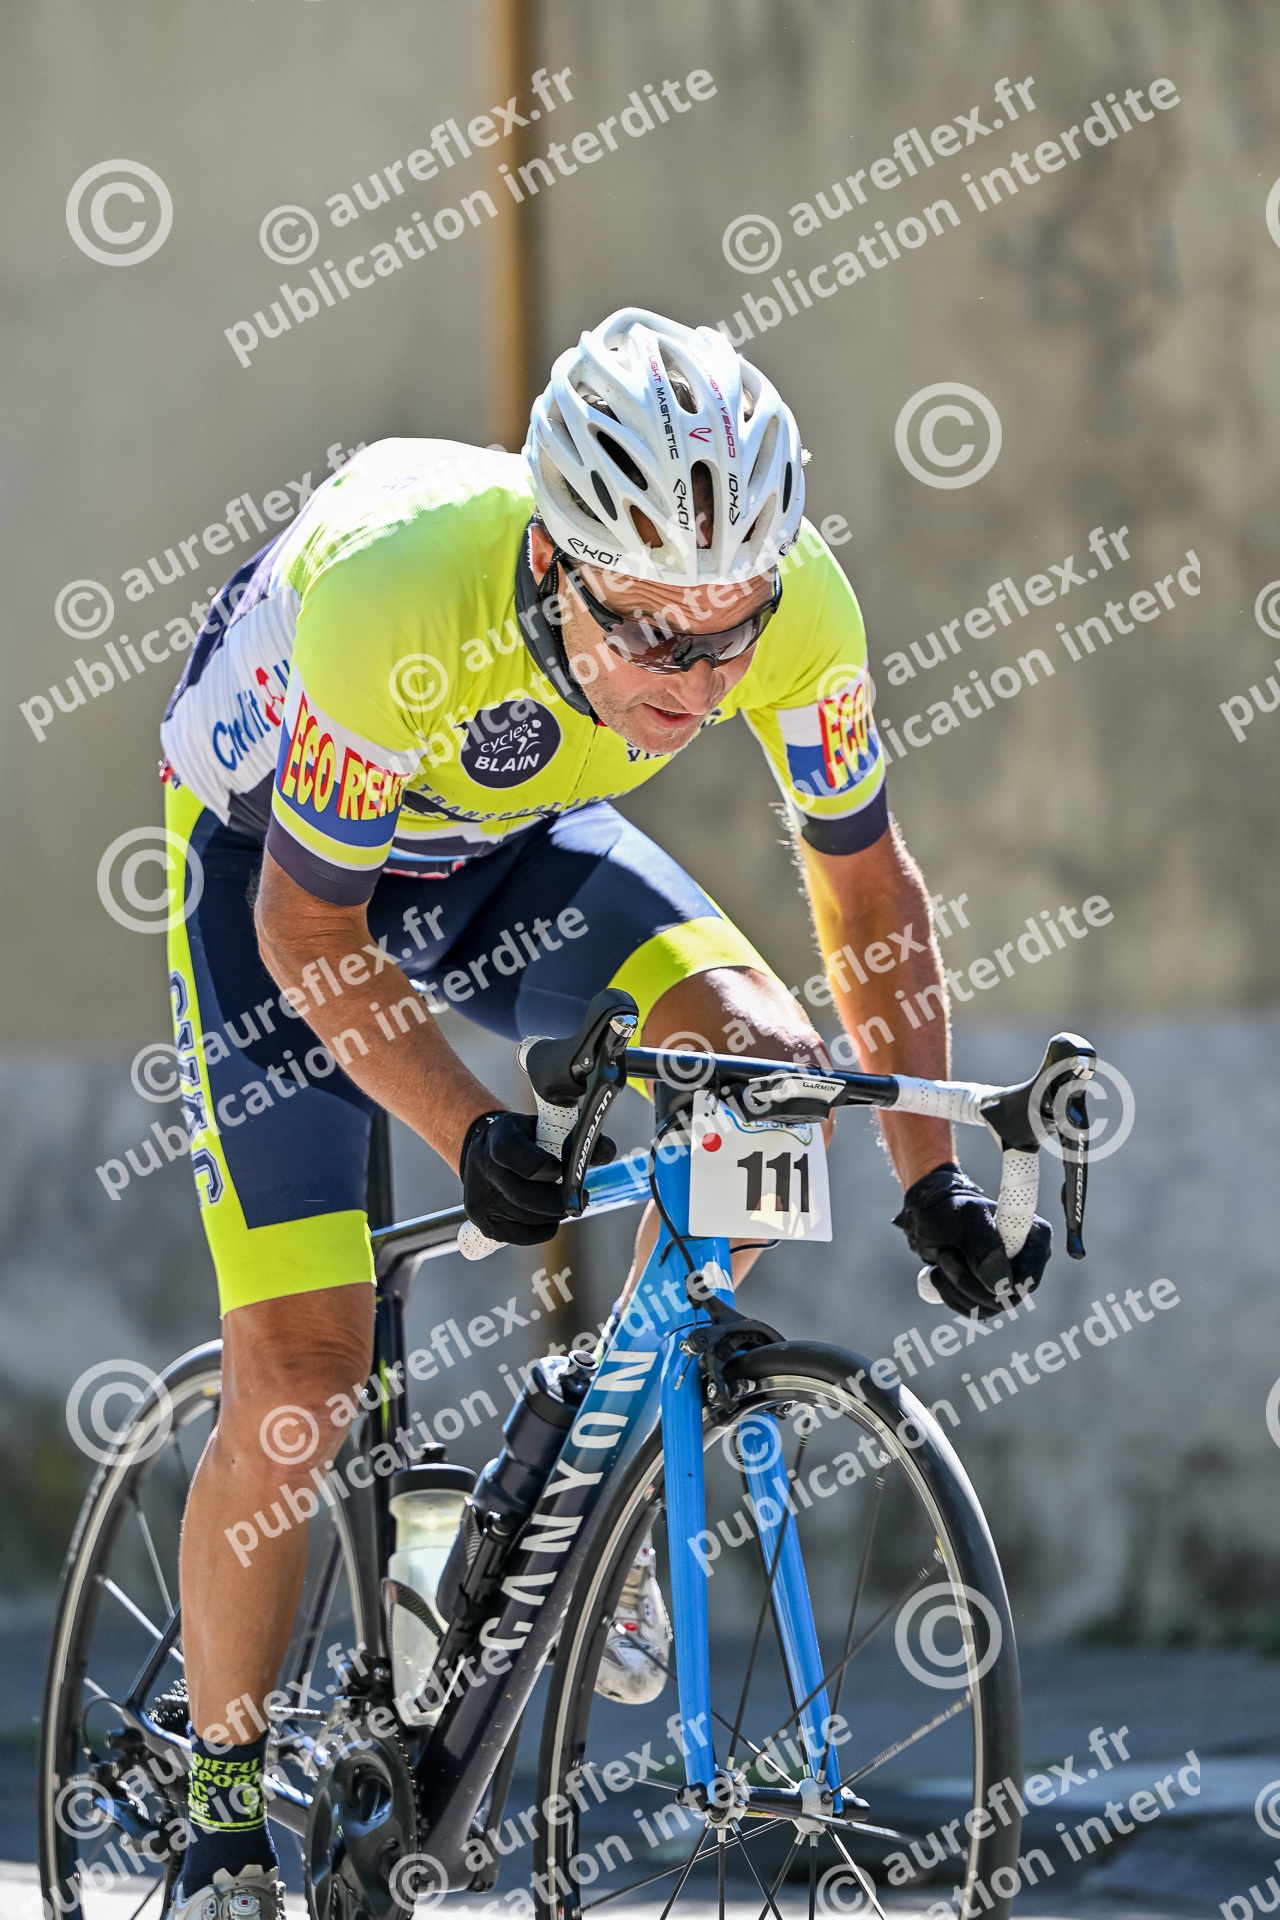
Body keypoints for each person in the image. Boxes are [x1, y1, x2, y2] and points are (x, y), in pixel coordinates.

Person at [157, 308, 1050, 1917]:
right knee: (304, 1370)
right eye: (652, 639)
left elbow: (866, 890)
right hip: (272, 873)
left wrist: (933, 1178)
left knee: (767, 1076)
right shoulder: (399, 590)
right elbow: (310, 930)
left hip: (502, 846)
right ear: (554, 564)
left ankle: (594, 1456)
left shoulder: (794, 604)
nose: (699, 684)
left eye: (730, 638)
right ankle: (218, 1800)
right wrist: (465, 1129)